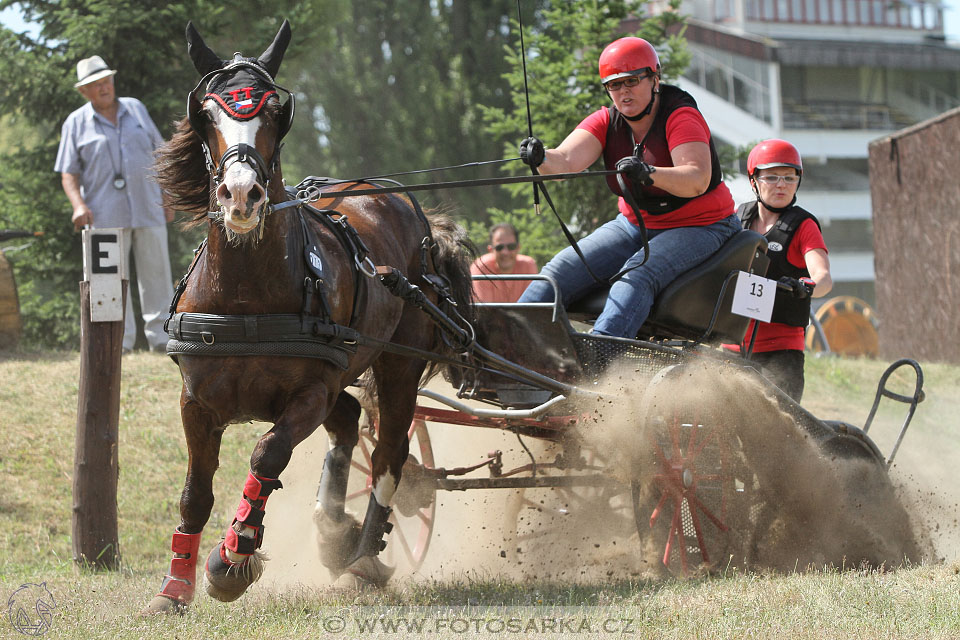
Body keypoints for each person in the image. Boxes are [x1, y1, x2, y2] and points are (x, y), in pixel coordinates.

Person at [516, 36, 741, 339]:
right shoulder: (606, 121)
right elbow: (566, 161)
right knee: (557, 272)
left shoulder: (680, 115)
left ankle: (597, 363)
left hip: (703, 225)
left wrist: (650, 173)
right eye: (614, 84)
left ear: (655, 78)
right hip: (634, 223)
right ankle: (504, 355)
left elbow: (697, 180)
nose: (623, 92)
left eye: (632, 80)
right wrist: (542, 156)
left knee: (636, 275)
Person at [55, 55, 175, 354]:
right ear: (84, 91)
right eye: (95, 84)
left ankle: (161, 341)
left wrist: (168, 196)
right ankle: (116, 343)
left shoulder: (135, 109)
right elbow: (69, 173)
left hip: (149, 207)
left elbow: (161, 155)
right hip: (104, 215)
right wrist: (78, 206)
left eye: (106, 80)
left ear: (113, 81)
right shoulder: (76, 122)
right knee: (107, 281)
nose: (103, 87)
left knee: (157, 276)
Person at [723, 139, 833, 402]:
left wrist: (808, 286)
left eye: (789, 177)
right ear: (754, 181)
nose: (782, 184)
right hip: (731, 346)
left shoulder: (804, 225)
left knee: (774, 434)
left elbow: (824, 277)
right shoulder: (738, 218)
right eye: (772, 177)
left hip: (780, 352)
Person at [470, 223, 538, 303]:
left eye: (511, 247)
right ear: (491, 250)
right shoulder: (480, 267)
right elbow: (485, 311)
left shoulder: (528, 265)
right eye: (499, 247)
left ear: (518, 247)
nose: (505, 252)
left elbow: (532, 306)